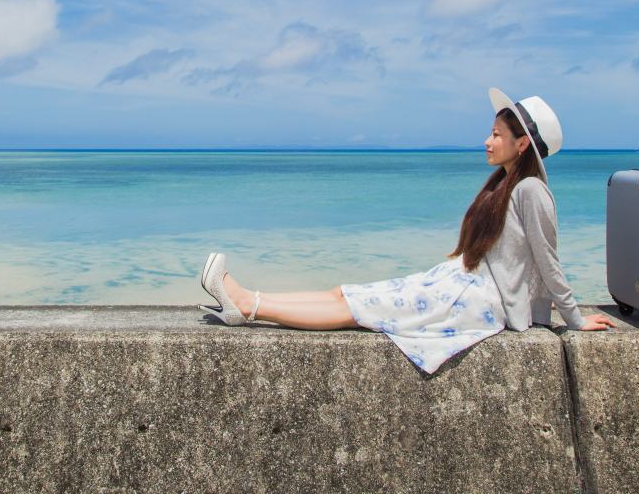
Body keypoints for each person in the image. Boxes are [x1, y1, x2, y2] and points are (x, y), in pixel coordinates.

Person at [197, 87, 613, 373]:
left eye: (496, 135)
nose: (486, 141)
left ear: (522, 145)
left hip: (480, 300)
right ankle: (248, 299)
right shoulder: (504, 186)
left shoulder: (532, 192)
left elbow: (548, 261)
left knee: (358, 311)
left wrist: (573, 319)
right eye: (490, 132)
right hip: (462, 283)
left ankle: (248, 307)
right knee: (347, 294)